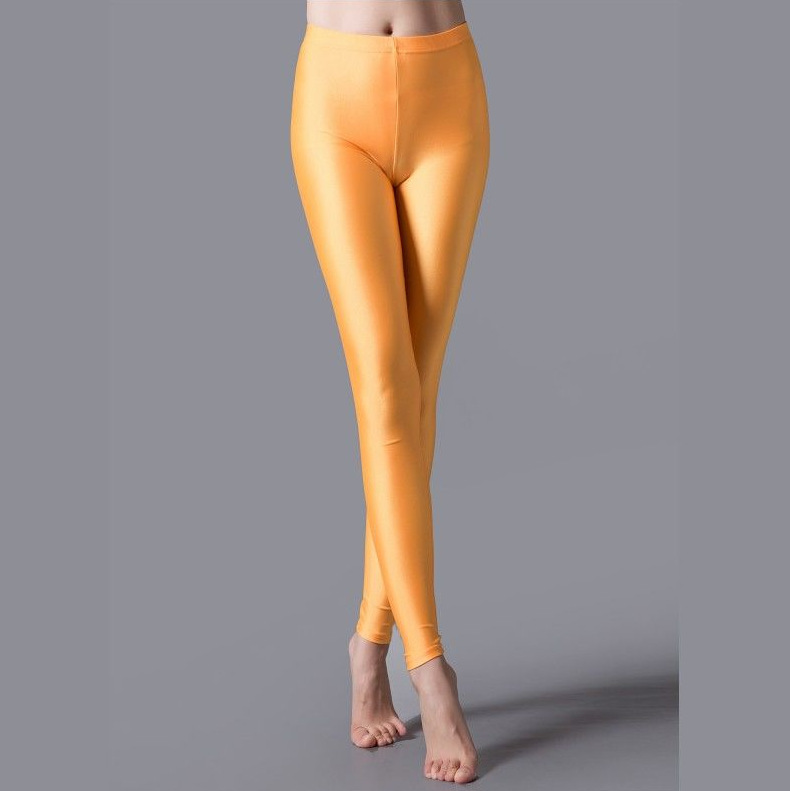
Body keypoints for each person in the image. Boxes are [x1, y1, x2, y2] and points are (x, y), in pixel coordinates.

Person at [290, 0, 489, 783]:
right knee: (383, 384)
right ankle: (430, 669)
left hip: (448, 89)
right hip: (337, 103)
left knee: (417, 392)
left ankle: (368, 639)